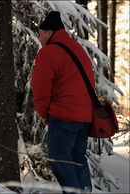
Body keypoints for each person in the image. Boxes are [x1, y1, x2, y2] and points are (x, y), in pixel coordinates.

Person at [31, 11, 95, 194]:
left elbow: (41, 90)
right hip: (85, 116)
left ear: (50, 33)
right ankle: (85, 190)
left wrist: (43, 113)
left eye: (41, 33)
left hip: (64, 116)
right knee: (77, 157)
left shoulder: (48, 53)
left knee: (59, 158)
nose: (39, 37)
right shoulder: (77, 48)